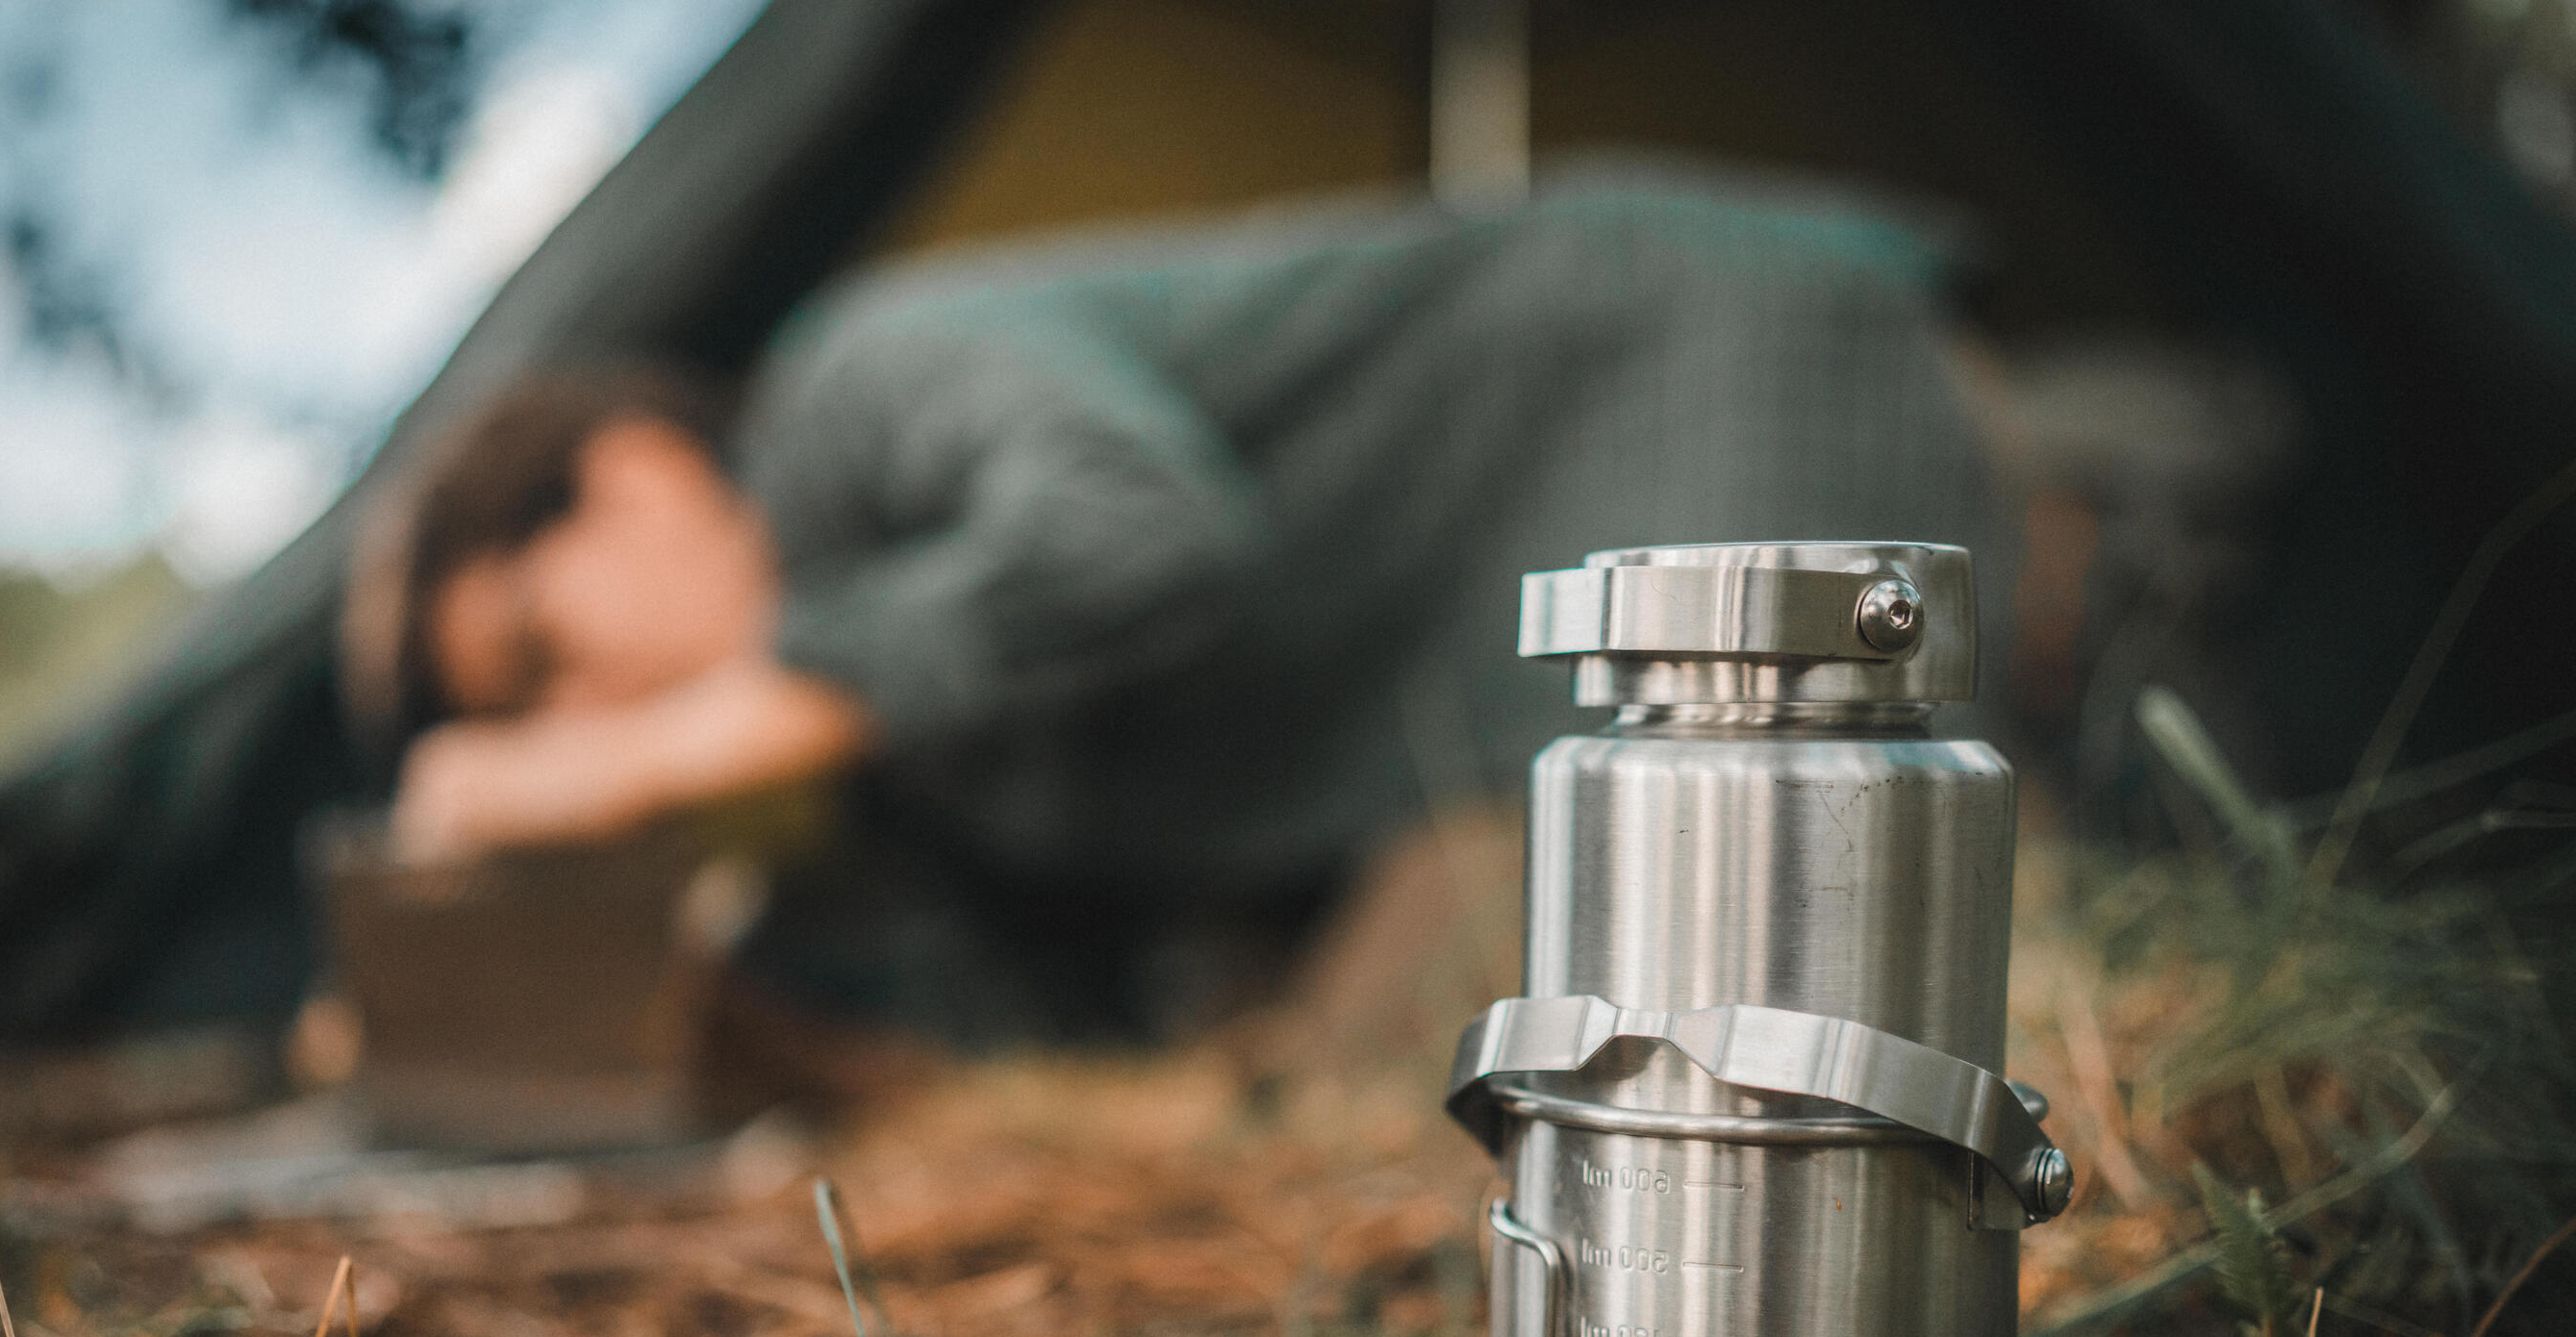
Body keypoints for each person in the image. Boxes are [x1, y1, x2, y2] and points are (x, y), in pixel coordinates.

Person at [341, 167, 2009, 1047]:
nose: (572, 733)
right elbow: (1056, 1010)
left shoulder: (863, 374)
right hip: (1505, 717)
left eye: (539, 660)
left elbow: (1135, 530)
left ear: (633, 477)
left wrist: (666, 752)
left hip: (1679, 374)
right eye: (525, 724)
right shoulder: (880, 759)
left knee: (1714, 948)